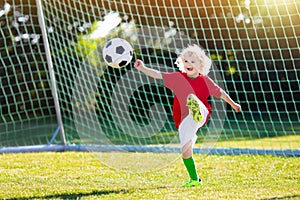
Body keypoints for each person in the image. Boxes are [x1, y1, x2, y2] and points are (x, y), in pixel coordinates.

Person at [134, 44, 241, 187]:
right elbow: (158, 75)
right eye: (186, 61)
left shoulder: (205, 80)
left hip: (202, 114)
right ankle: (194, 180)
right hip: (183, 120)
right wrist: (142, 68)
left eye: (193, 61)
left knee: (196, 104)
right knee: (185, 152)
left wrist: (233, 104)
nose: (189, 64)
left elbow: (220, 92)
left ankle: (195, 106)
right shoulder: (177, 78)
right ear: (182, 63)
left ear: (201, 65)